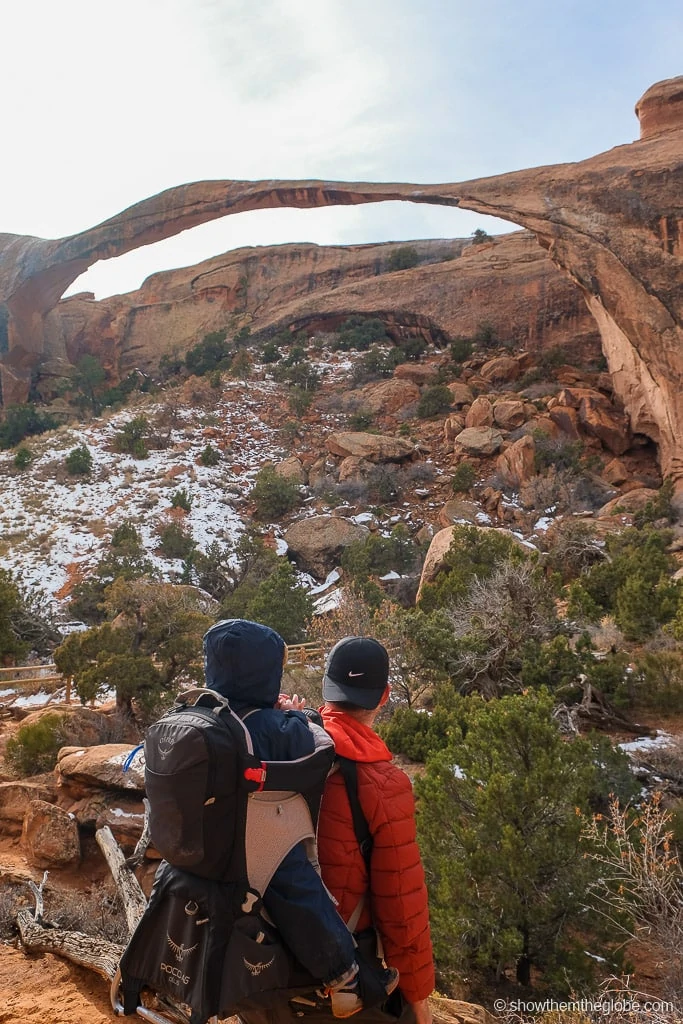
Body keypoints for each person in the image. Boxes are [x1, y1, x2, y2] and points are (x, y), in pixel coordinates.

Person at [202, 619, 398, 1018]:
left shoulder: (203, 720)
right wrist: (298, 717)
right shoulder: (274, 726)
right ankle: (344, 975)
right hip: (264, 878)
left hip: (209, 877)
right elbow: (322, 743)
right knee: (293, 873)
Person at [315, 636, 435, 1024]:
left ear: (326, 687)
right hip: (344, 975)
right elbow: (402, 905)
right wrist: (417, 998)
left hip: (260, 959)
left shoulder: (284, 747)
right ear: (383, 696)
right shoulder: (386, 785)